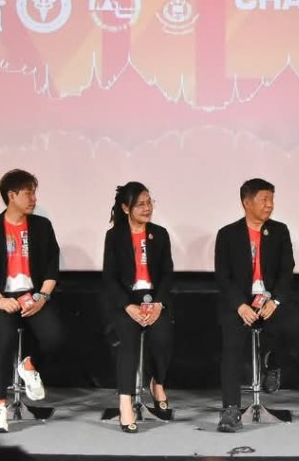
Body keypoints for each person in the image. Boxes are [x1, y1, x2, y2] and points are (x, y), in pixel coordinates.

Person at [0, 169, 64, 433]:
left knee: (55, 337)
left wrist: (42, 297)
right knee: (4, 340)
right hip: (1, 298)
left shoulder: (42, 226)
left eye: (34, 193)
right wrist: (0, 300)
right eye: (28, 193)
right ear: (11, 196)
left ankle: (28, 364)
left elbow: (52, 267)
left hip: (33, 295)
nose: (33, 199)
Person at [214, 178, 299, 433]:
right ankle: (231, 409)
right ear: (247, 202)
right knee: (231, 346)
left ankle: (272, 363)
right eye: (264, 200)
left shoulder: (280, 231)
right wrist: (240, 305)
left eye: (271, 200)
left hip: (270, 300)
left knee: (294, 326)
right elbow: (223, 276)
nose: (269, 205)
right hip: (240, 303)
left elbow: (287, 270)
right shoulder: (228, 234)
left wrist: (275, 300)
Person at [101, 182, 175, 433]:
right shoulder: (114, 236)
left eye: (149, 202)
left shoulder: (160, 234)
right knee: (128, 341)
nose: (147, 208)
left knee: (163, 337)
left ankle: (157, 382)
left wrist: (158, 304)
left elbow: (167, 273)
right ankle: (125, 402)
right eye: (140, 204)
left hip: (154, 299)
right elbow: (110, 278)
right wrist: (127, 306)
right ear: (126, 208)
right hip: (126, 301)